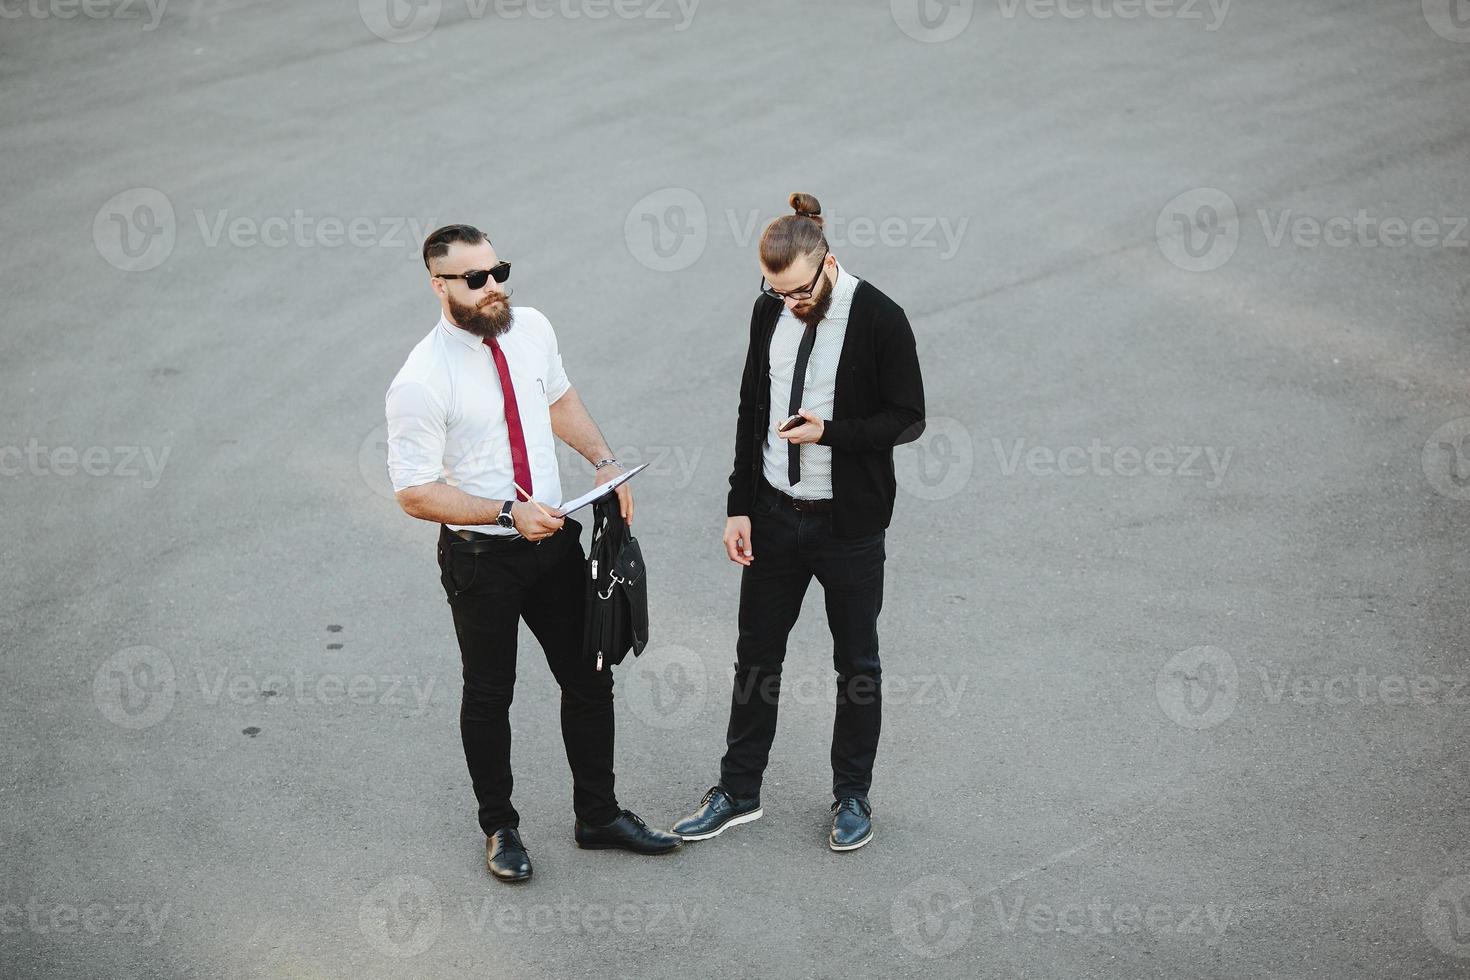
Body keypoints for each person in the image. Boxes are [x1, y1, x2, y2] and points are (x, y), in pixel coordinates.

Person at [385, 224, 680, 884]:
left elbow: (559, 400)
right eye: (476, 279)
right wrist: (501, 511)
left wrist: (603, 463)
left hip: (554, 544)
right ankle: (500, 828)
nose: (496, 288)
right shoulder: (421, 380)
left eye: (500, 271)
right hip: (481, 558)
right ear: (439, 286)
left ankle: (597, 816)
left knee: (589, 675)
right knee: (491, 693)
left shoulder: (532, 329)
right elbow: (412, 491)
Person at [672, 193, 926, 852]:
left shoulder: (878, 317)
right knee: (756, 657)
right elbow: (750, 407)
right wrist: (738, 504)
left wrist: (830, 433)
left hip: (847, 526)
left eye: (799, 290)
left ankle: (851, 796)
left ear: (827, 263)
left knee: (856, 665)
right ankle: (737, 790)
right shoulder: (769, 311)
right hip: (773, 516)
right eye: (776, 290)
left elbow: (909, 416)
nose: (789, 301)